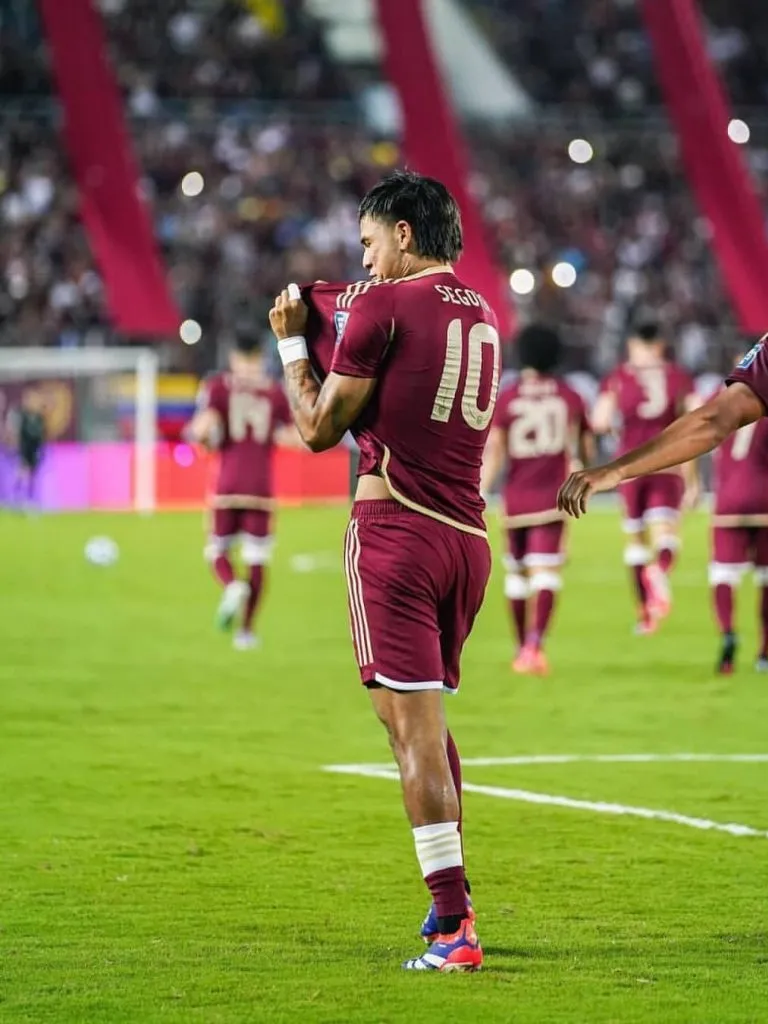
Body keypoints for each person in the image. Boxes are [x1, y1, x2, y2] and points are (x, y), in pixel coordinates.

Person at [268, 170, 500, 972]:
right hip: (466, 540)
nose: (362, 262)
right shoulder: (481, 312)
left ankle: (454, 923)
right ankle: (450, 912)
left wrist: (293, 344)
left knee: (412, 735)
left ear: (404, 233)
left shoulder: (382, 305)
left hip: (396, 529)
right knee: (421, 726)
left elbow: (316, 429)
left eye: (369, 243)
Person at [556, 316, 768, 863]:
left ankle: (665, 588)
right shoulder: (693, 371)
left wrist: (614, 470)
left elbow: (716, 420)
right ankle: (671, 579)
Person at [481, 324, 594, 675]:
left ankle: (521, 649)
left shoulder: (510, 397)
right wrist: (587, 473)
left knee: (516, 575)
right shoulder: (570, 395)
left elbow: (496, 449)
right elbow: (583, 448)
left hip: (515, 498)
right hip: (553, 497)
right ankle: (534, 646)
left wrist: (480, 490)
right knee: (546, 573)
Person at [186, 332, 296, 650]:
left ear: (234, 357)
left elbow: (203, 428)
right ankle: (246, 632)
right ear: (261, 357)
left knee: (217, 550)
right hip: (261, 488)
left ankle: (232, 586)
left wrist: (202, 438)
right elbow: (291, 435)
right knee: (257, 560)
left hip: (227, 486)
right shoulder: (274, 392)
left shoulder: (218, 386)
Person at [592, 319, 699, 633]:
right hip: (666, 464)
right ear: (661, 345)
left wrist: (619, 431)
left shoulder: (619, 376)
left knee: (635, 542)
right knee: (666, 533)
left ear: (634, 345)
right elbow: (697, 413)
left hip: (628, 467)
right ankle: (660, 571)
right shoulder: (677, 376)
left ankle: (645, 615)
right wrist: (693, 479)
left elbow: (599, 420)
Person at [704, 356, 768, 674]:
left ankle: (727, 634)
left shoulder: (718, 396)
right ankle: (765, 654)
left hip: (728, 500)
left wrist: (693, 484)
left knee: (723, 574)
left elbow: (701, 440)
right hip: (766, 501)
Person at [11, 389, 47, 511]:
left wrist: (41, 449)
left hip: (34, 450)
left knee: (33, 476)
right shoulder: (23, 416)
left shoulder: (39, 418)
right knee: (22, 473)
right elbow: (18, 433)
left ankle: (31, 500)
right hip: (24, 450)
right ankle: (17, 498)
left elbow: (41, 436)